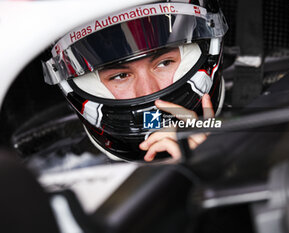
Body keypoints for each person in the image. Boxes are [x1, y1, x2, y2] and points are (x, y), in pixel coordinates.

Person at [42, 0, 228, 162]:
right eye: (120, 76)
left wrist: (215, 157)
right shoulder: (62, 167)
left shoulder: (254, 125)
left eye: (164, 63)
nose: (147, 91)